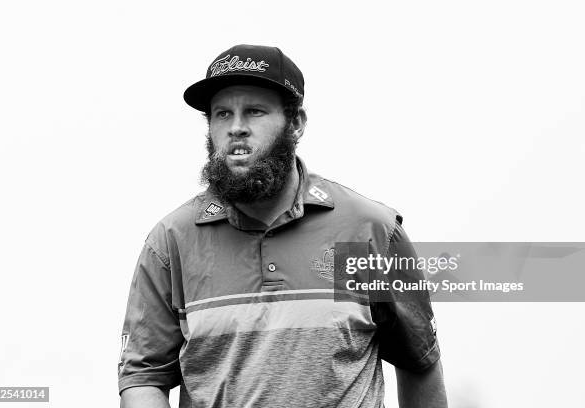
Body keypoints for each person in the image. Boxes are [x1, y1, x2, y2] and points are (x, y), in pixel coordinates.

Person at [118, 44, 447, 408]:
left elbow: (421, 360)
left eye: (255, 112)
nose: (236, 128)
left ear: (297, 123)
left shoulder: (369, 232)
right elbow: (143, 380)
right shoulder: (171, 243)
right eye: (222, 113)